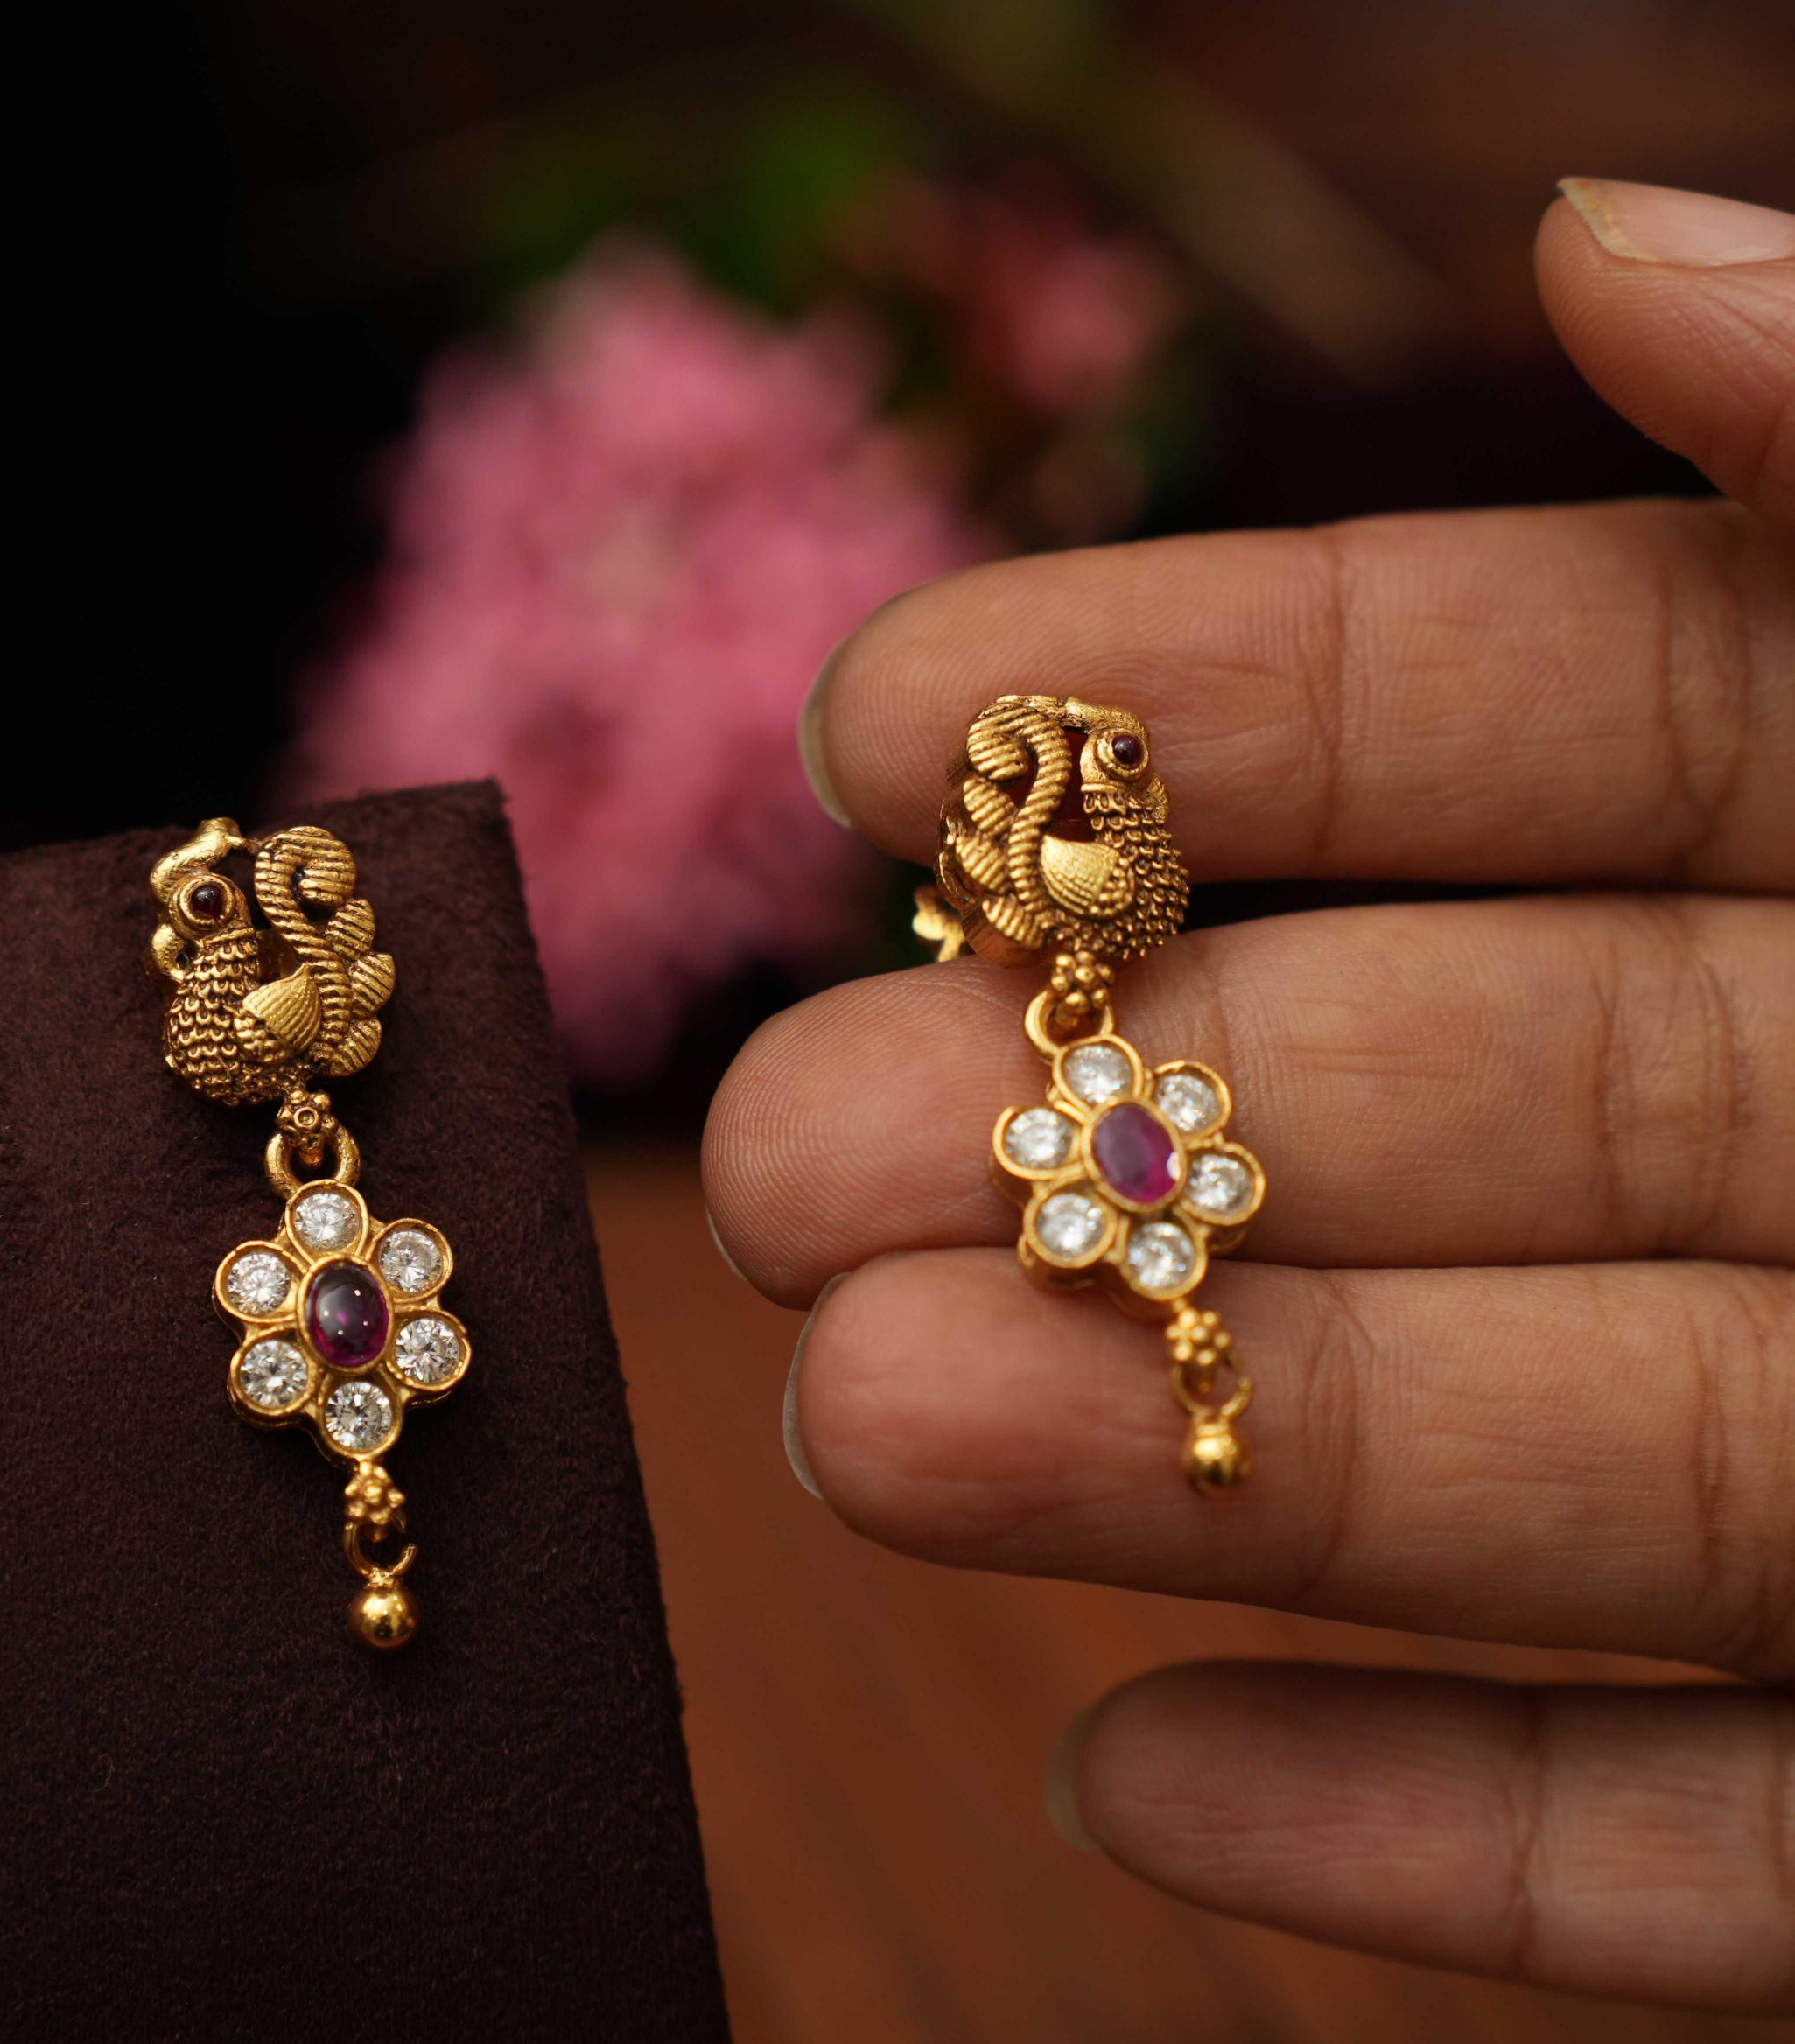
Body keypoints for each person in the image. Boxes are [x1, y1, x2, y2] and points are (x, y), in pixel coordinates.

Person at [705, 179, 1795, 2014]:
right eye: (1050, 781)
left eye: (1096, 772)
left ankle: (1204, 1385)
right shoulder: (1052, 903)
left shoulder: (1104, 897)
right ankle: (1202, 1384)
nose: (1077, 790)